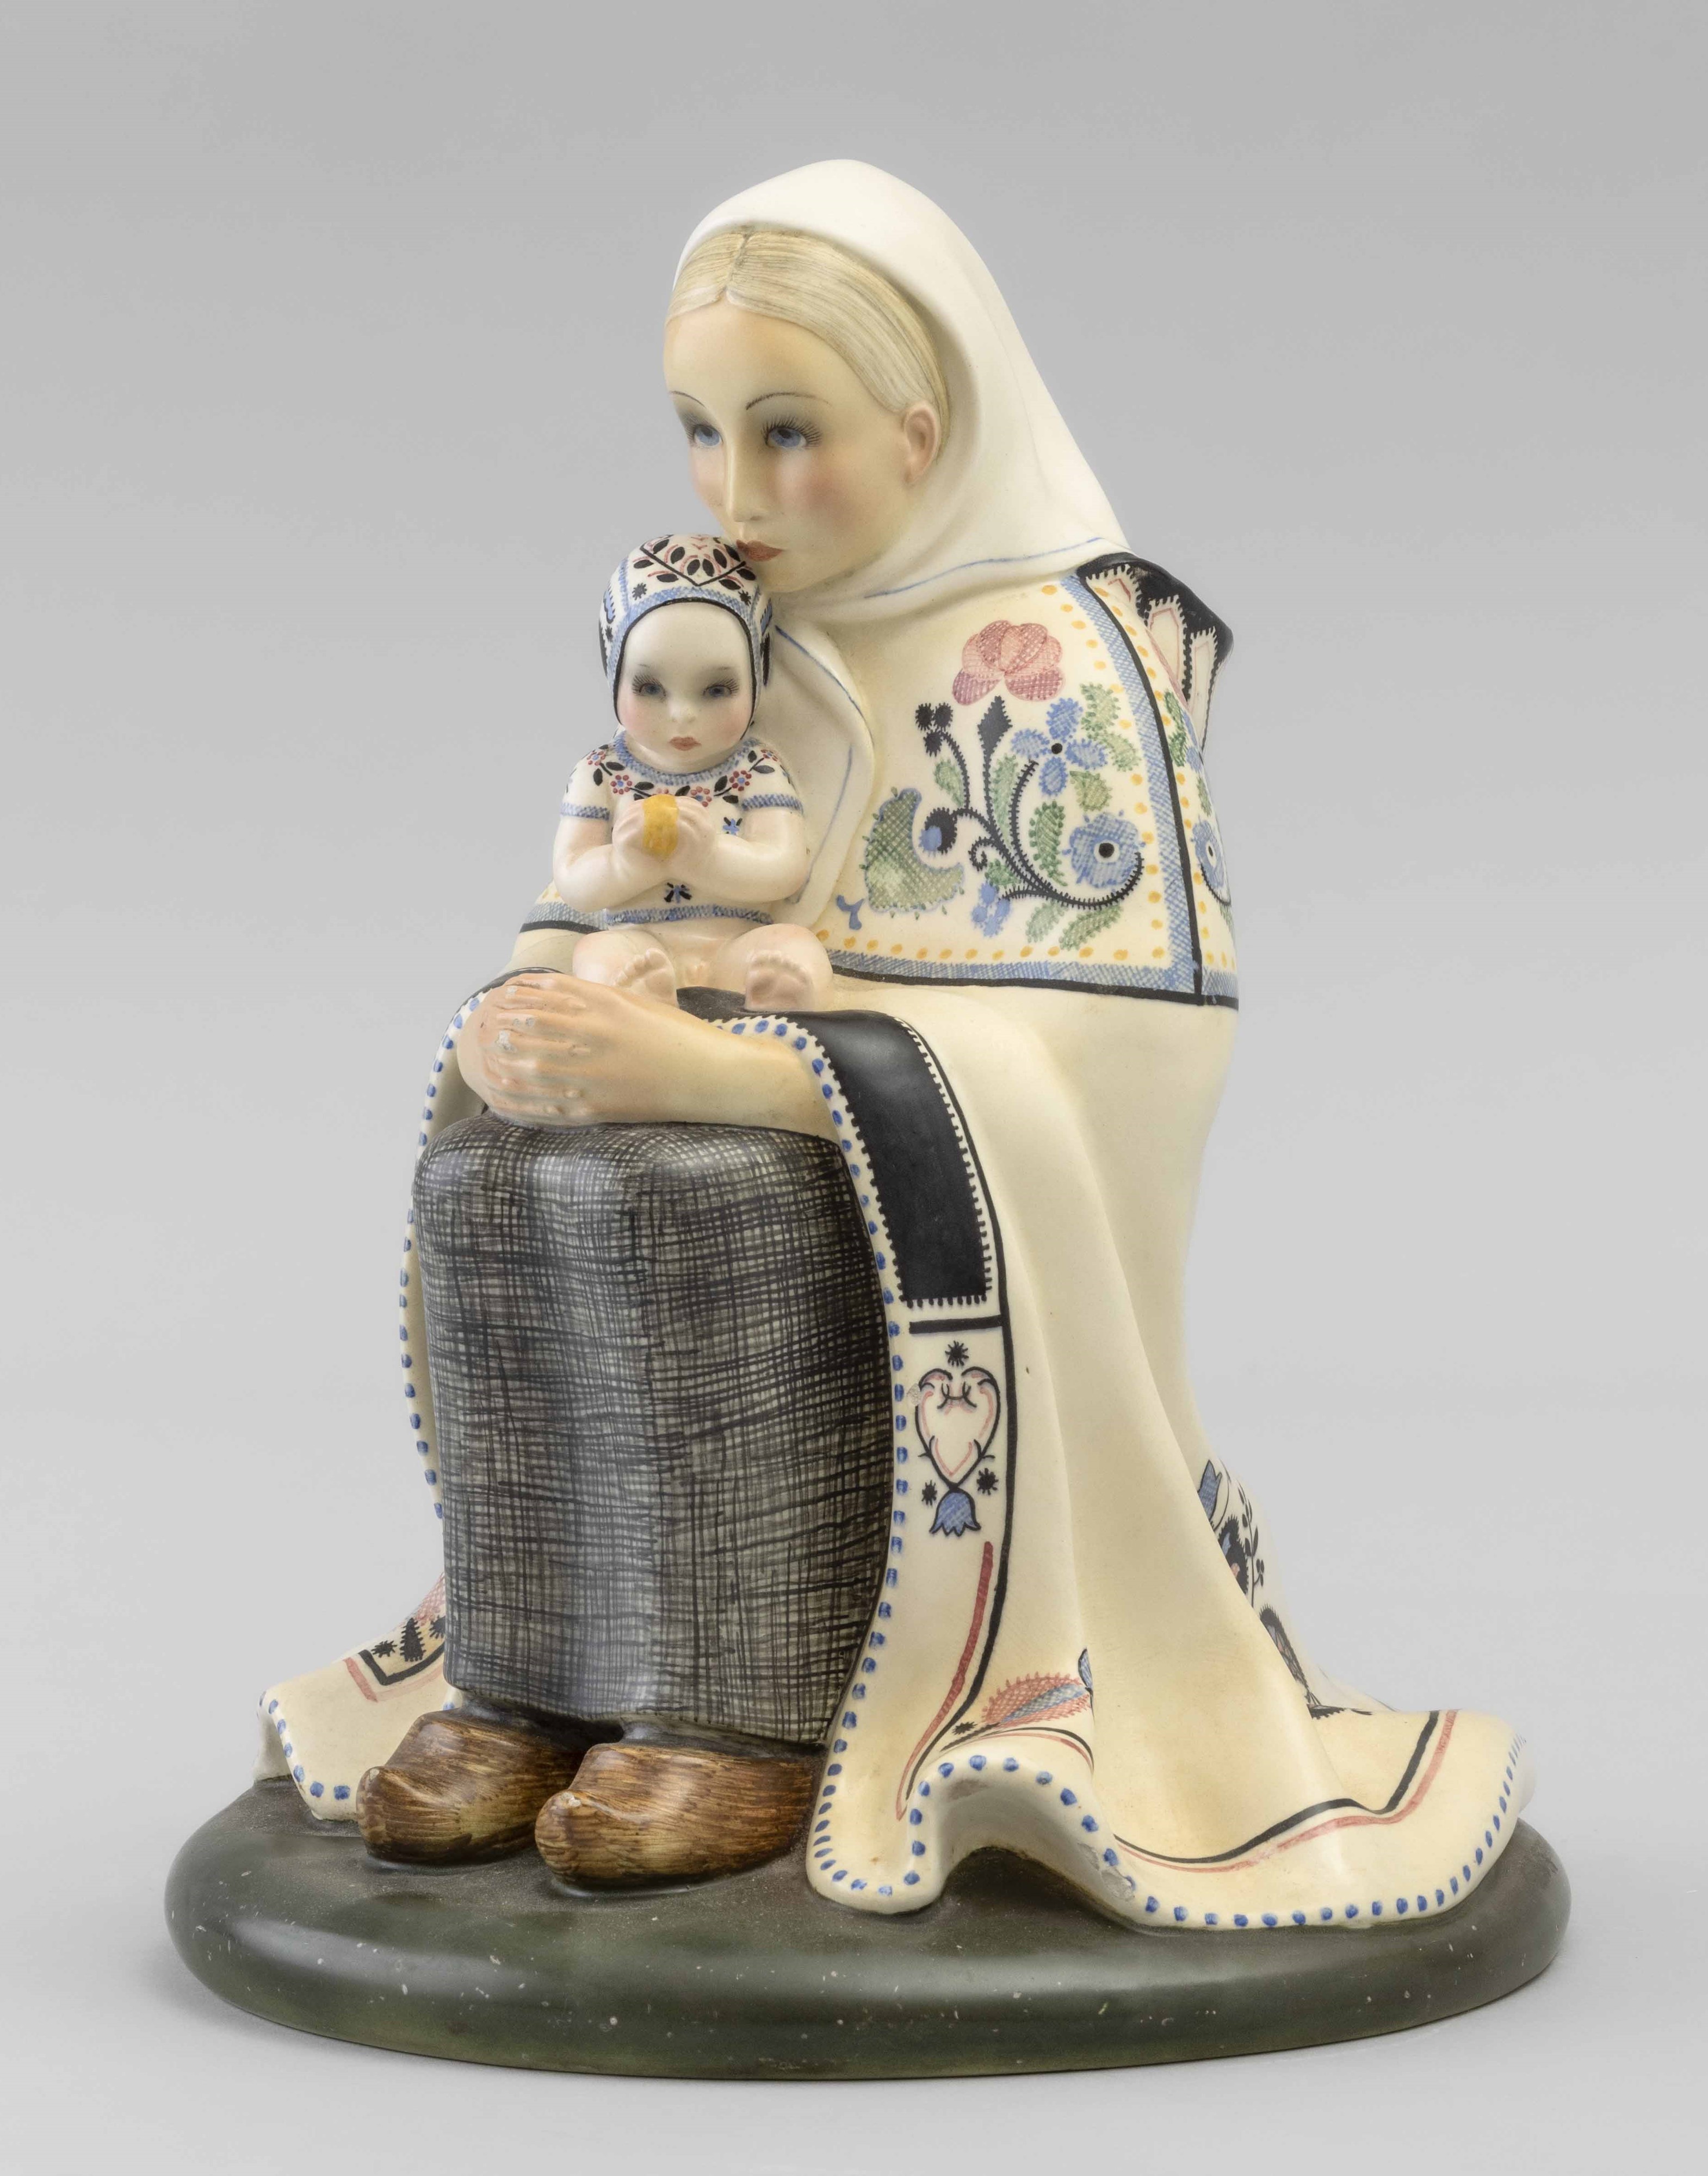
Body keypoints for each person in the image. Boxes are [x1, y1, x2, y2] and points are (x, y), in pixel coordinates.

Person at [259, 163, 1533, 1926]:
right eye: (701, 431)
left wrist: (731, 1077)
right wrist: (539, 1010)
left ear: (921, 431)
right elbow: (607, 882)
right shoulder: (725, 633)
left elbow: (1098, 1056)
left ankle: (741, 1713)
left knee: (700, 1204)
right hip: (712, 1080)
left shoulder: (1062, 661)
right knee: (494, 1172)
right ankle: (532, 1679)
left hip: (861, 1188)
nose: (735, 491)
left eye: (789, 433)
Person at [557, 534, 834, 1012]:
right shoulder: (600, 772)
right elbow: (574, 880)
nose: (682, 714)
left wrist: (709, 855)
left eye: (716, 690)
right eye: (651, 688)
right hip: (638, 939)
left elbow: (785, 868)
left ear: (758, 677)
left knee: (794, 945)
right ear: (614, 671)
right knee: (597, 952)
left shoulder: (758, 769)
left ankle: (777, 994)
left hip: (736, 944)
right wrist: (626, 864)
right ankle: (639, 1002)